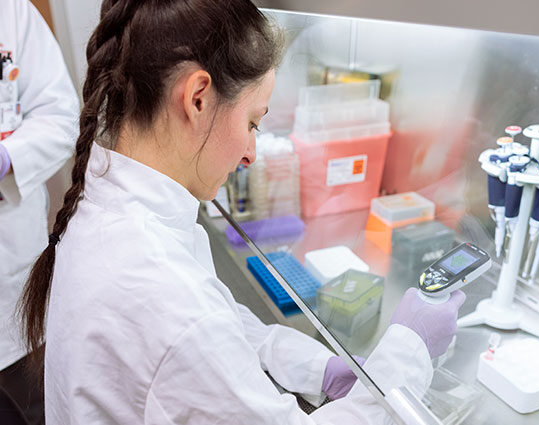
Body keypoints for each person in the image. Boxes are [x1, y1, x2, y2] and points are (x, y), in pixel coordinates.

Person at [18, 1, 465, 424]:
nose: (251, 153)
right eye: (252, 121)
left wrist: (318, 368)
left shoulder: (115, 209)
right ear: (197, 97)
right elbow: (196, 334)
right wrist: (409, 350)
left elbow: (222, 328)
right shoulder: (163, 295)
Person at [0, 1, 79, 424]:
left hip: (11, 282)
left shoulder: (12, 13)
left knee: (36, 409)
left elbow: (61, 116)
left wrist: (9, 158)